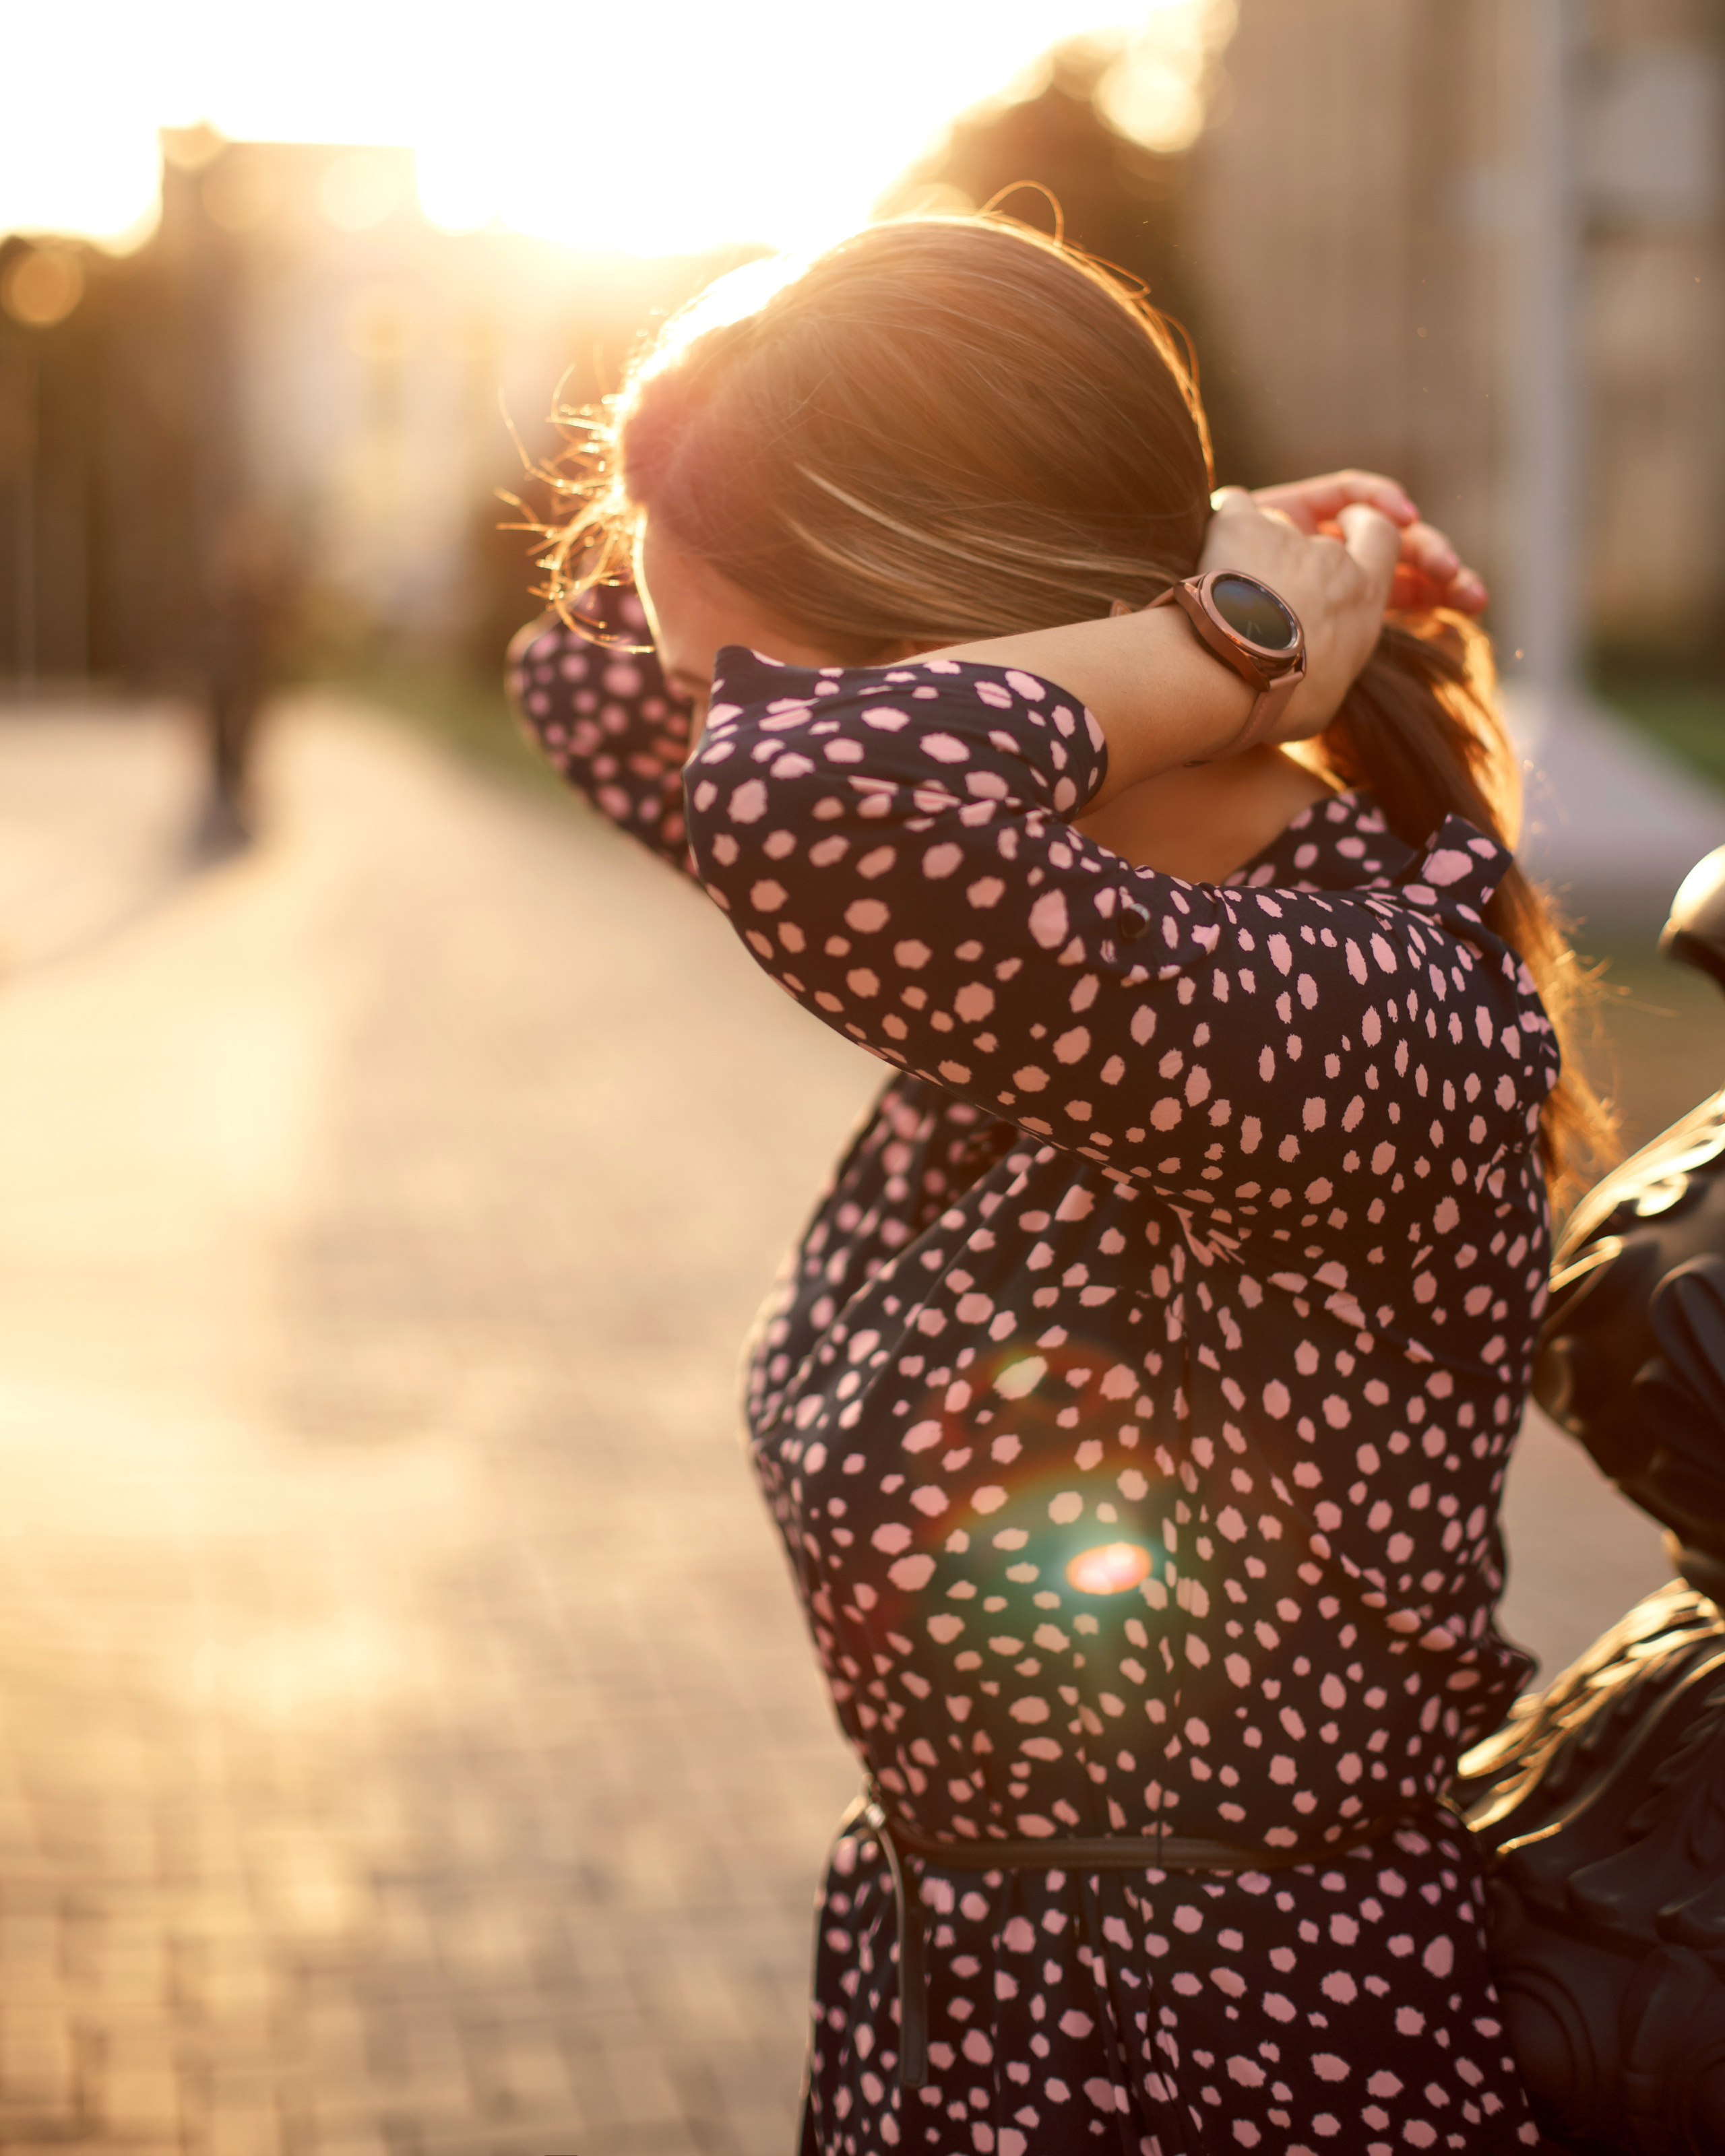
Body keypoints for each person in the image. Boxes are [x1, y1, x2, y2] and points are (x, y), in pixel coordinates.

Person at [509, 218, 1604, 2156]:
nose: (719, 729)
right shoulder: (1049, 953)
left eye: (768, 679)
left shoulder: (1345, 1010)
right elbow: (576, 676)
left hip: (1220, 2075)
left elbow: (800, 798)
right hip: (984, 2032)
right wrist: (1203, 569)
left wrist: (1212, 641)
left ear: (963, 659)